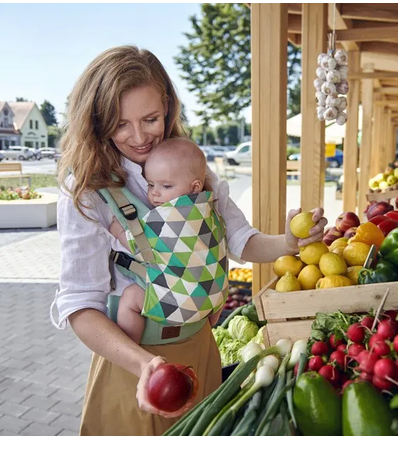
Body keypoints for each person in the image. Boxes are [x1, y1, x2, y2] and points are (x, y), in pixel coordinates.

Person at [50, 45, 326, 436]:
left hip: (201, 349)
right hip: (134, 365)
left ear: (167, 106)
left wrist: (287, 242)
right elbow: (79, 305)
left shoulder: (191, 167)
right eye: (120, 123)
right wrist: (145, 366)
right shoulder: (87, 190)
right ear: (96, 121)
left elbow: (241, 241)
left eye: (150, 118)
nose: (140, 137)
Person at [108, 137, 213, 345]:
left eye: (166, 185)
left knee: (130, 299)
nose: (155, 193)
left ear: (194, 187)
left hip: (180, 301)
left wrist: (118, 230)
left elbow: (139, 244)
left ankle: (132, 345)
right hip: (209, 294)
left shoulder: (170, 217)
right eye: (150, 184)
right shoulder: (208, 210)